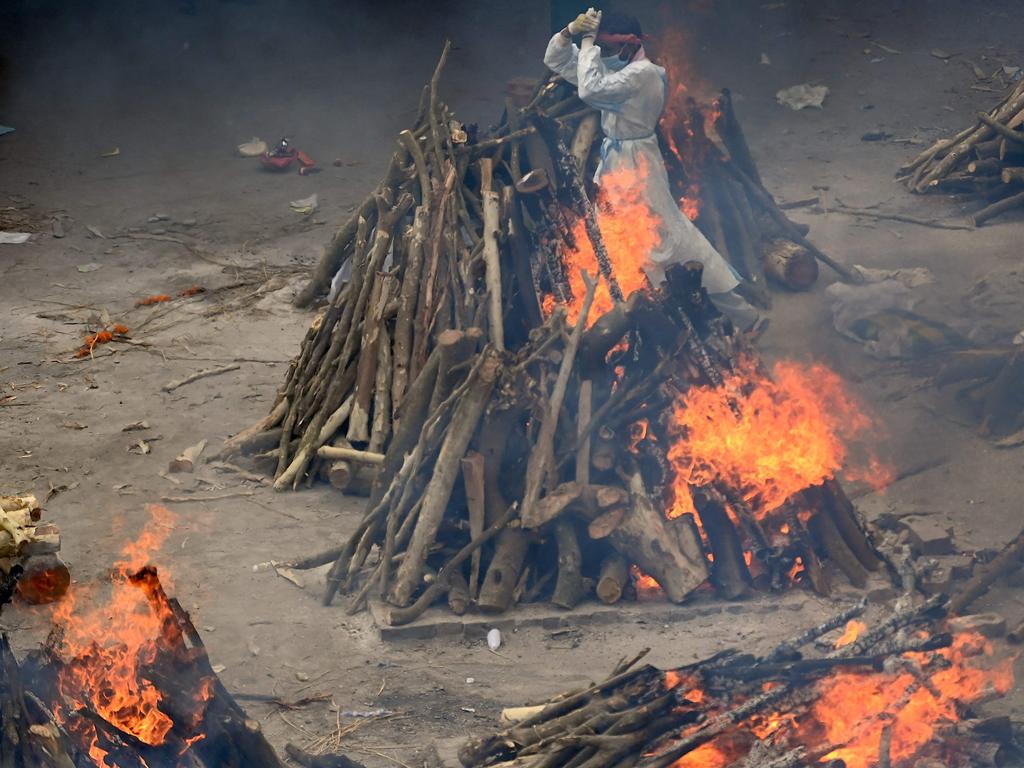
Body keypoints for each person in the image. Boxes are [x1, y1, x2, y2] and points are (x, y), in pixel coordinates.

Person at [544, 9, 760, 331]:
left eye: (608, 48)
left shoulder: (644, 74)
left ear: (629, 45)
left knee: (669, 239)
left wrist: (587, 41)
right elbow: (557, 61)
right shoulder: (613, 69)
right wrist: (569, 31)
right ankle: (631, 315)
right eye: (600, 49)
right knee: (612, 235)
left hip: (639, 165)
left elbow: (589, 89)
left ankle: (742, 316)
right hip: (617, 164)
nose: (603, 55)